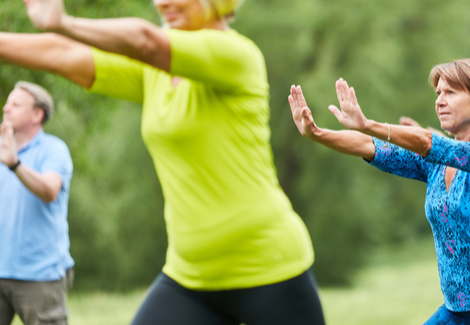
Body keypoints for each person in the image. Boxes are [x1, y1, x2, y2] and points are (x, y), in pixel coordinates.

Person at [0, 0, 326, 324]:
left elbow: (145, 40)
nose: (162, 2)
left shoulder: (236, 55)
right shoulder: (154, 72)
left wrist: (64, 22)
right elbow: (65, 55)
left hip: (268, 267)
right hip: (190, 274)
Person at [289, 59, 470, 324]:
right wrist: (317, 134)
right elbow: (370, 146)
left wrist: (368, 123)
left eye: (450, 92)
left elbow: (428, 142)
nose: (439, 100)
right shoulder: (435, 165)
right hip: (458, 311)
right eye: (438, 93)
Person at [0, 81, 74, 325]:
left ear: (37, 114)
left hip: (40, 276)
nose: (6, 108)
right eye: (7, 103)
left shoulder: (54, 149)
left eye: (15, 104)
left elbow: (49, 190)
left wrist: (14, 164)